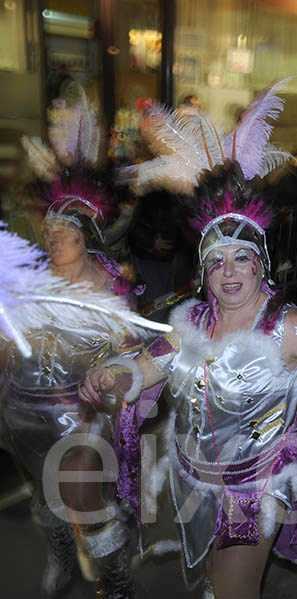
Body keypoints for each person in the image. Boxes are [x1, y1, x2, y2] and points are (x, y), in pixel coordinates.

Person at [80, 80, 297, 599]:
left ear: (261, 265)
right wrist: (113, 374)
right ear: (202, 271)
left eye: (240, 258)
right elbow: (145, 368)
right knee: (207, 583)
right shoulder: (192, 323)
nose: (228, 273)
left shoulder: (288, 326)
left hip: (254, 490)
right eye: (215, 261)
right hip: (191, 481)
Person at [8, 87, 150, 598]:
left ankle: (116, 586)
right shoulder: (29, 279)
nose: (53, 239)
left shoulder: (111, 288)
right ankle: (62, 562)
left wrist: (106, 383)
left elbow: (132, 357)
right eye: (48, 231)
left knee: (87, 503)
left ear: (87, 236)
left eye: (64, 232)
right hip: (26, 409)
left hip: (82, 413)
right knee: (43, 499)